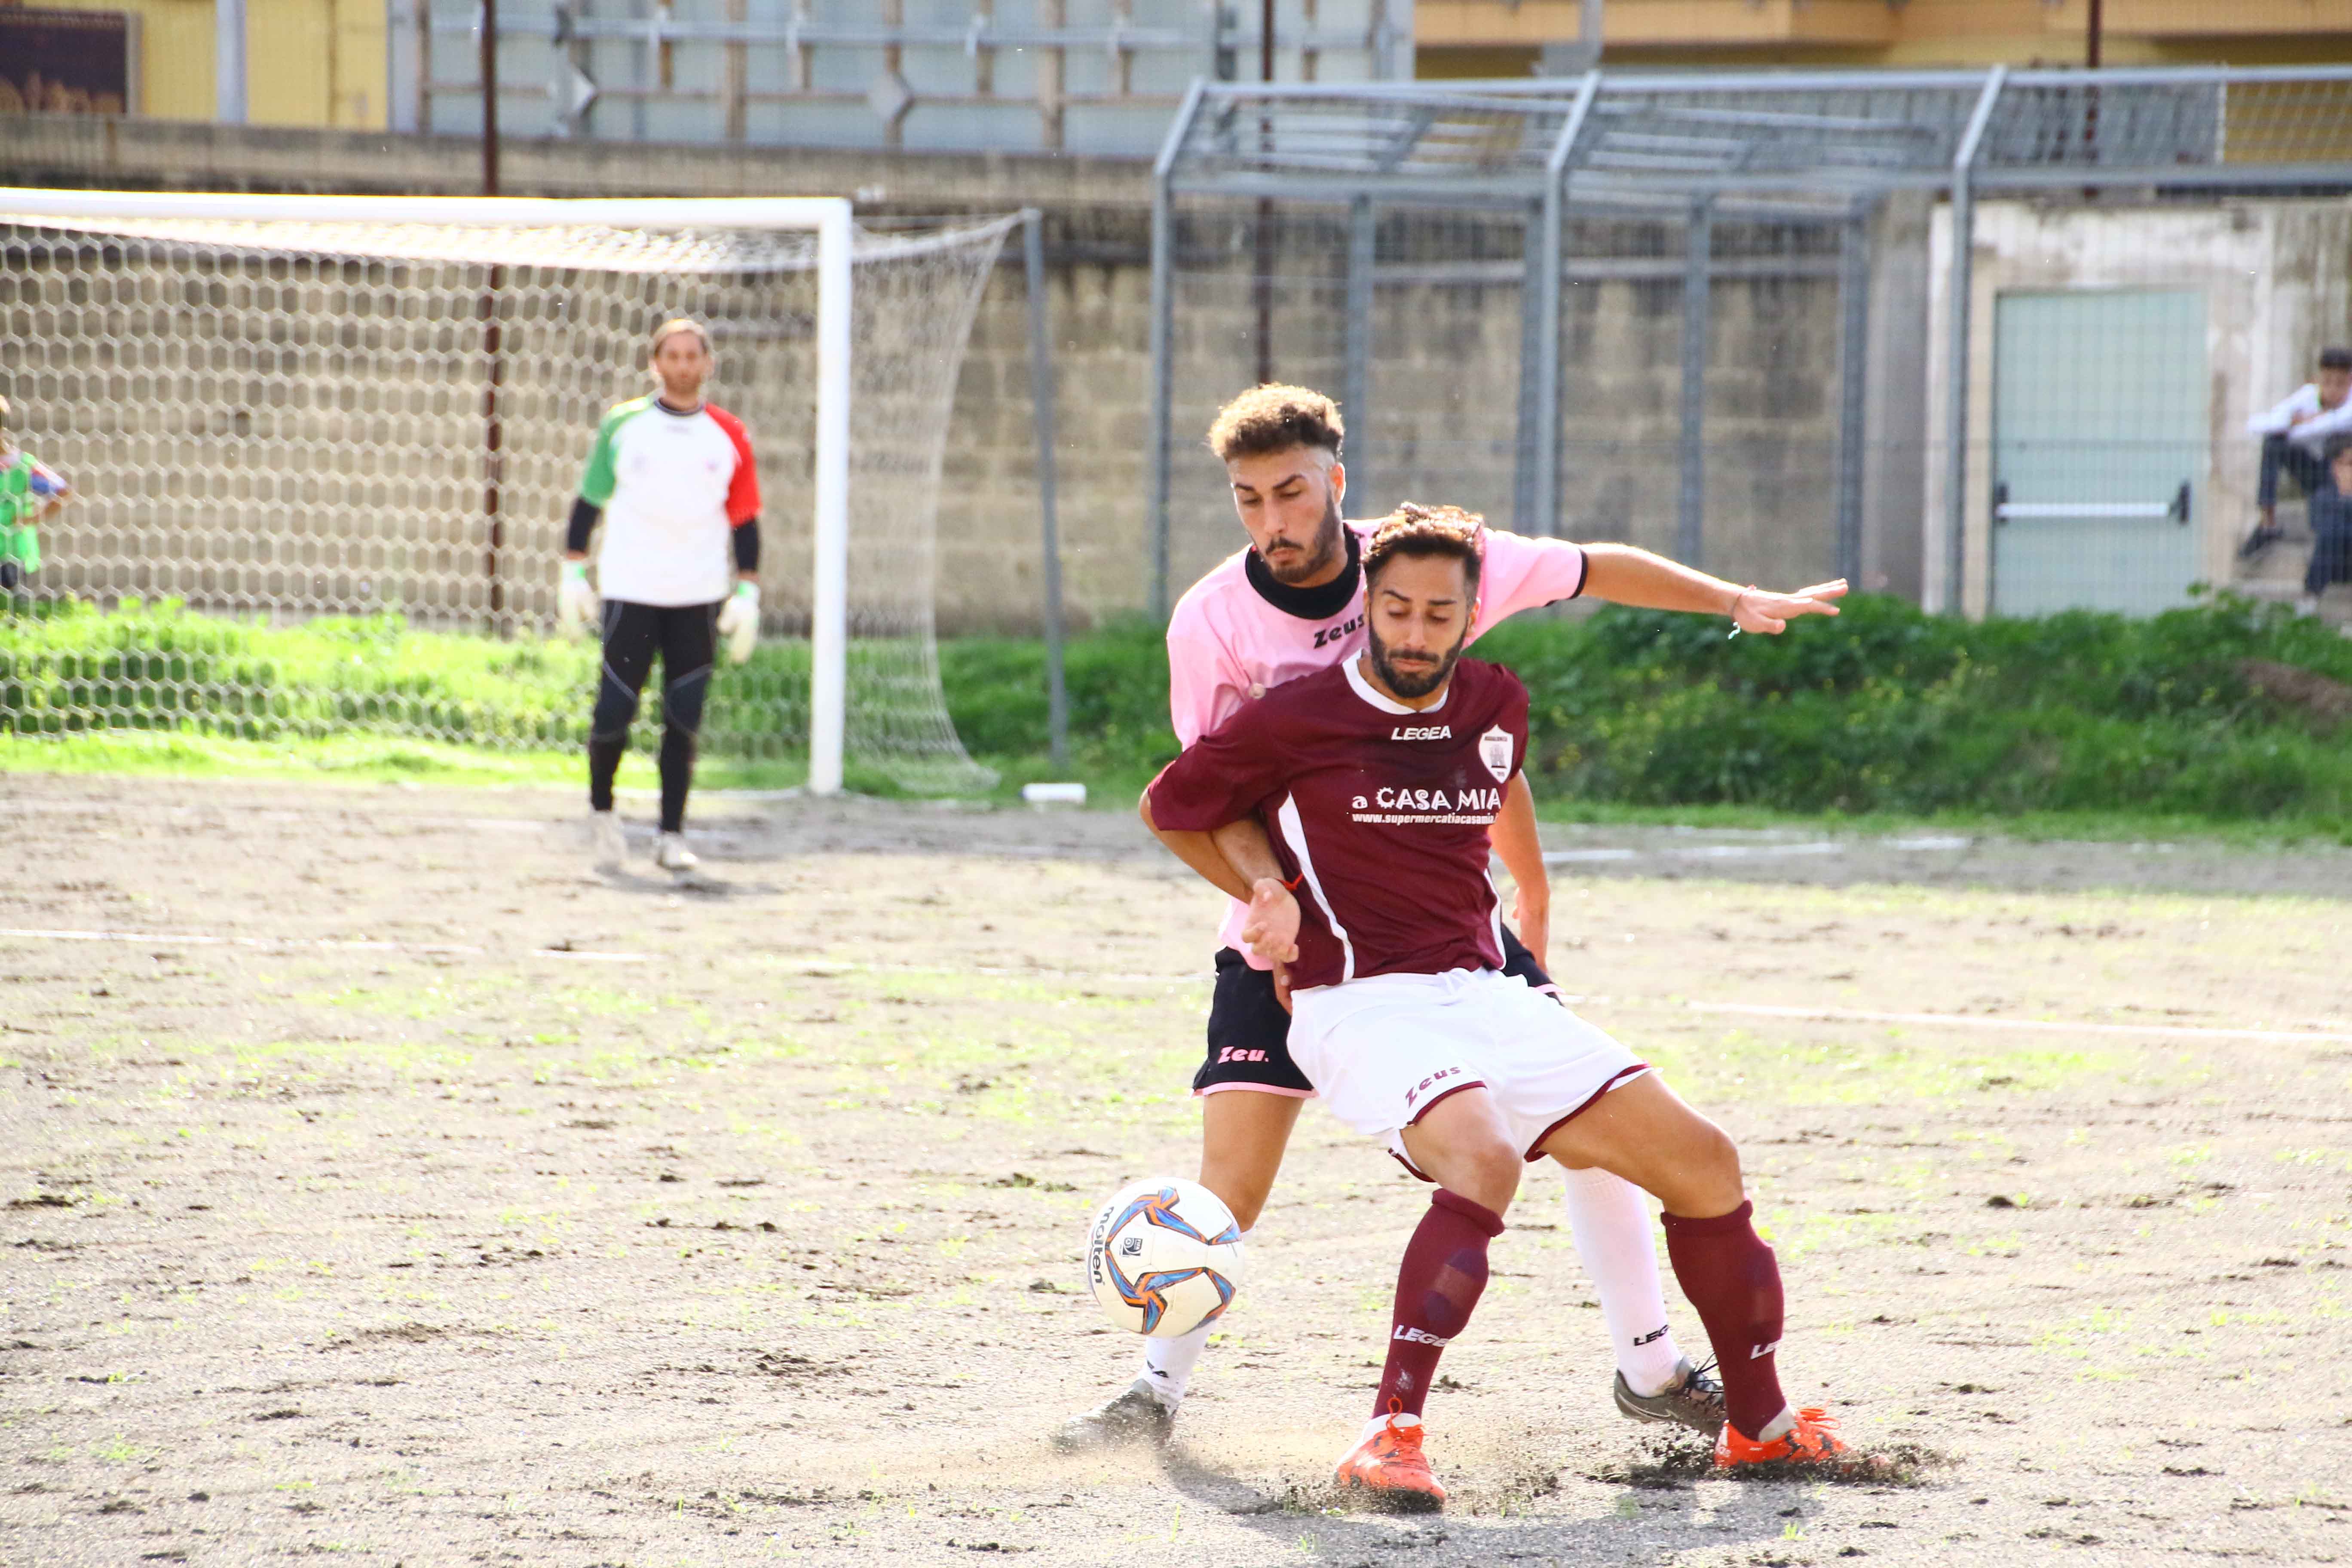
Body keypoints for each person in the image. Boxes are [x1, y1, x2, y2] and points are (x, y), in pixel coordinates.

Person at [1055, 384, 1844, 1451]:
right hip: (1300, 934)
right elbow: (1208, 794)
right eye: (1248, 499)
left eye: (1291, 492)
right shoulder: (1212, 621)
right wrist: (1268, 899)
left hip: (1447, 926)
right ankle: (1154, 1390)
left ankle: (1652, 1369)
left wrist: (1731, 601)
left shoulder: (1426, 566)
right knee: (1232, 1181)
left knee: (1599, 1129)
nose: (1273, 520)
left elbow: (1576, 589)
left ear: (1337, 480)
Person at [559, 318, 764, 878]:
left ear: (708, 364)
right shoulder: (624, 425)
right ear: (655, 364)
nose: (682, 365)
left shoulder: (729, 434)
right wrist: (573, 572)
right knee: (614, 712)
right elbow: (589, 502)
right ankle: (603, 816)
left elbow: (745, 518)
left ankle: (671, 835)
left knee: (684, 716)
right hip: (631, 590)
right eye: (672, 355)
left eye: (692, 355)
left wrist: (747, 589)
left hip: (698, 595)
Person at [2242, 346, 2352, 559]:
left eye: (2340, 384)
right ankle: (2267, 523)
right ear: (2318, 379)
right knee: (2273, 442)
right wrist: (2293, 422)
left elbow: (2327, 426)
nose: (2333, 390)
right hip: (2315, 471)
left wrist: (2296, 424)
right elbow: (2258, 425)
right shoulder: (2308, 395)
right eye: (2327, 382)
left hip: (2342, 480)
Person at [0, 394, 71, 595]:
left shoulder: (22, 465)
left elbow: (62, 491)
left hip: (13, 552)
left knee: (13, 606)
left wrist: (31, 519)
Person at [2298, 435, 2352, 615]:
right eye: (2350, 464)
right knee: (2331, 533)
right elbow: (2319, 526)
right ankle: (2309, 601)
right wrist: (2347, 499)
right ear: (2335, 467)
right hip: (2337, 562)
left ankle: (2310, 598)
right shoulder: (2322, 496)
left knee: (2335, 529)